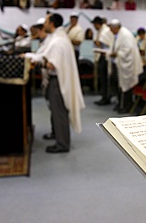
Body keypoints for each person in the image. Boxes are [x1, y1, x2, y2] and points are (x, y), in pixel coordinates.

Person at [24, 13, 85, 153]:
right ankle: (59, 138)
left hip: (57, 81)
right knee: (57, 112)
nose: (44, 24)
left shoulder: (58, 41)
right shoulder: (58, 38)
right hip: (56, 80)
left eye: (46, 21)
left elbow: (52, 64)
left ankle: (62, 144)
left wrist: (37, 61)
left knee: (59, 113)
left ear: (51, 23)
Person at [108, 19, 143, 113]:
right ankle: (120, 104)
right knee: (120, 85)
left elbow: (127, 50)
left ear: (115, 28)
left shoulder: (125, 35)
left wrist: (116, 54)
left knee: (126, 87)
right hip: (120, 64)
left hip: (127, 65)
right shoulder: (119, 34)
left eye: (111, 28)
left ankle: (126, 106)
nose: (110, 30)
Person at [92, 16, 114, 106]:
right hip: (102, 55)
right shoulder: (101, 31)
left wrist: (97, 43)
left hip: (105, 57)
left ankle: (106, 97)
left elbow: (104, 43)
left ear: (97, 24)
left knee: (104, 78)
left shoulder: (105, 31)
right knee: (102, 78)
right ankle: (104, 96)